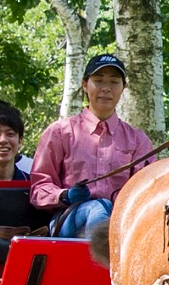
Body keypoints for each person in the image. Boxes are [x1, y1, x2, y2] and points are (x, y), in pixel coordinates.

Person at [30, 53, 155, 238]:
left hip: (120, 221)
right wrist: (65, 195)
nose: (106, 88)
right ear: (84, 85)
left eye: (114, 82)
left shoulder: (138, 140)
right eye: (98, 80)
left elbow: (146, 191)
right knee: (97, 208)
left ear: (123, 88)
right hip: (69, 219)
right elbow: (39, 188)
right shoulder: (60, 132)